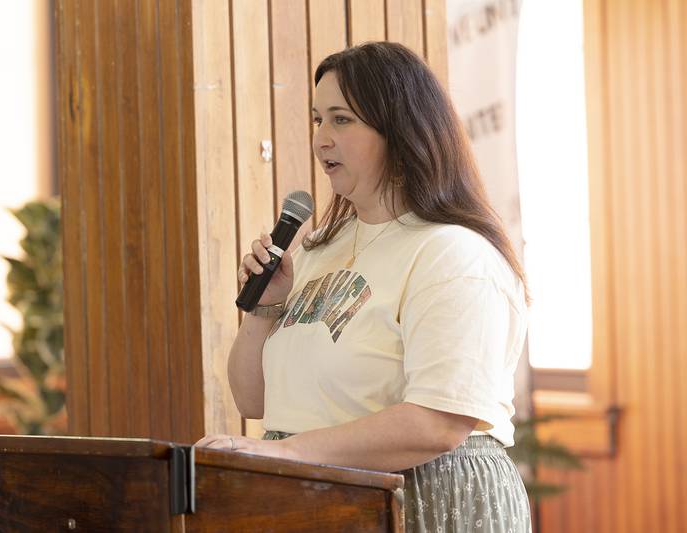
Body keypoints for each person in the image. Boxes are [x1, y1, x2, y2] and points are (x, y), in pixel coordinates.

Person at [196, 41, 531, 532]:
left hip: (423, 500)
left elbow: (439, 422)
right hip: (320, 496)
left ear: (400, 130)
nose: (320, 140)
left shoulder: (454, 254)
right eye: (317, 120)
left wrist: (288, 454)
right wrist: (263, 310)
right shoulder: (316, 249)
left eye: (341, 119)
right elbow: (254, 401)